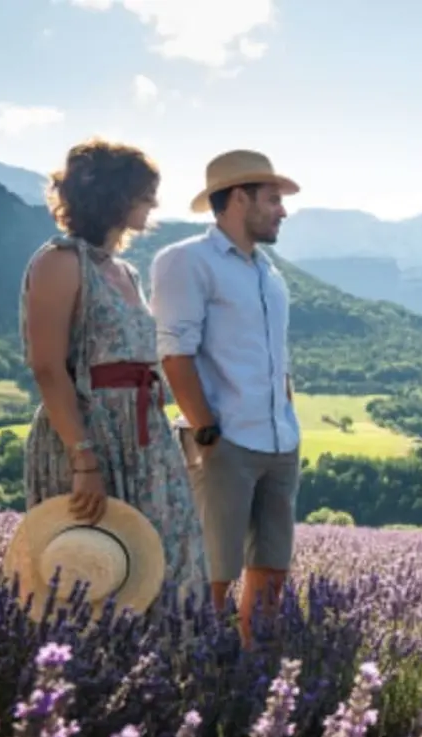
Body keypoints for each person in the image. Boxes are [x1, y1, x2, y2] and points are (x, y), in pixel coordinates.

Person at [19, 138, 208, 610]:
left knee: (172, 564)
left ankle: (172, 678)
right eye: (144, 193)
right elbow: (46, 367)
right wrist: (83, 458)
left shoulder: (124, 270)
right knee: (97, 575)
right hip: (91, 434)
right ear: (112, 197)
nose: (154, 203)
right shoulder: (59, 262)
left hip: (146, 439)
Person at [148, 149, 301, 650]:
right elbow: (174, 351)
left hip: (280, 440)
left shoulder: (268, 273)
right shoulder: (185, 260)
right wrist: (207, 430)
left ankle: (251, 670)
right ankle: (196, 669)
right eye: (273, 199)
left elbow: (276, 356)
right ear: (240, 198)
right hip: (225, 440)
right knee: (213, 571)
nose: (282, 210)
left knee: (272, 567)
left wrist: (288, 414)